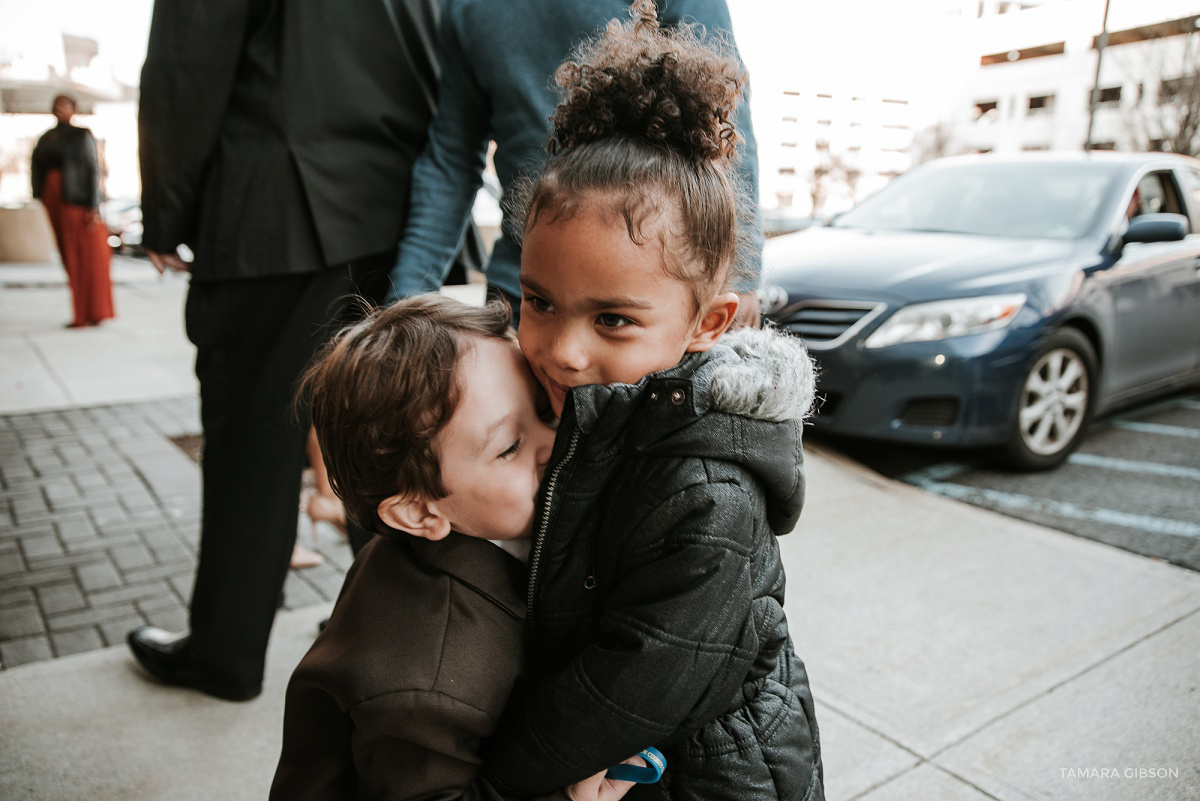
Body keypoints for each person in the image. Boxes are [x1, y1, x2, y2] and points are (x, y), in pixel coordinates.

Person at [479, 4, 824, 798]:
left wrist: (493, 786)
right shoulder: (592, 405)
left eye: (612, 319)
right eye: (539, 301)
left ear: (708, 324)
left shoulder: (709, 492)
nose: (563, 349)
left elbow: (622, 688)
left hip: (714, 777)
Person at [126, 0, 475, 702]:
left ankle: (225, 651)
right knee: (381, 442)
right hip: (399, 215)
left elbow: (188, 58)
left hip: (277, 204)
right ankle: (400, 637)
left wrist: (166, 208)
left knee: (253, 440)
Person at [270, 295, 634, 801]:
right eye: (509, 446)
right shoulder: (428, 681)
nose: (554, 441)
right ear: (419, 512)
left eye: (546, 411)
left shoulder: (478, 530)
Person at [386, 0, 765, 327]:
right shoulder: (467, 9)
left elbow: (723, 118)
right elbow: (450, 162)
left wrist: (738, 275)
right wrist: (401, 305)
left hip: (641, 297)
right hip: (524, 294)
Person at [30, 94, 114, 328]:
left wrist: (94, 205)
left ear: (74, 109)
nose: (59, 110)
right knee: (68, 255)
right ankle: (80, 313)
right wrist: (38, 195)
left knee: (87, 256)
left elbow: (93, 169)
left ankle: (92, 312)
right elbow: (36, 167)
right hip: (53, 198)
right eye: (56, 106)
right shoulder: (46, 138)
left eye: (64, 106)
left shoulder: (82, 135)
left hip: (76, 201)